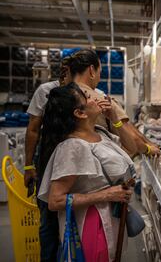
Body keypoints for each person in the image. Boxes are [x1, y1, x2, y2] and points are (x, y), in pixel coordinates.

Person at [38, 82, 136, 261]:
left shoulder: (100, 133)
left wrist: (114, 117)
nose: (96, 98)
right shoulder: (72, 147)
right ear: (80, 113)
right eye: (89, 97)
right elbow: (55, 200)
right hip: (90, 225)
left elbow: (132, 148)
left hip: (110, 221)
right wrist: (105, 195)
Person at [67, 49, 160, 157]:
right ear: (92, 71)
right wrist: (149, 149)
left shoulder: (59, 97)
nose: (99, 78)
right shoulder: (101, 101)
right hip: (99, 163)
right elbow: (132, 139)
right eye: (100, 72)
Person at [24, 57, 71, 261]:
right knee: (49, 221)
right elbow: (33, 129)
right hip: (47, 159)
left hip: (72, 162)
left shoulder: (84, 93)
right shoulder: (46, 91)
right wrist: (28, 166)